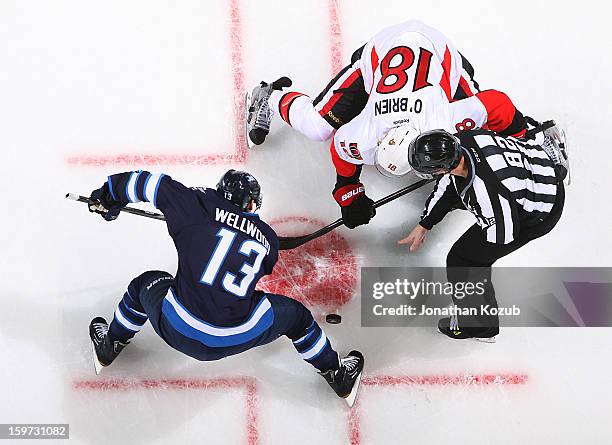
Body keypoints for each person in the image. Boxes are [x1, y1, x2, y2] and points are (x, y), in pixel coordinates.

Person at [86, 169, 364, 406]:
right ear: (252, 204)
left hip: (177, 325)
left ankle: (110, 345)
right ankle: (336, 374)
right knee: (298, 319)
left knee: (144, 285)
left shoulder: (195, 204)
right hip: (235, 336)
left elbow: (148, 182)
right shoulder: (268, 240)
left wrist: (108, 196)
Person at [247, 20, 528, 230]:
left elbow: (497, 104)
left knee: (479, 136)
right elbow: (341, 147)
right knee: (318, 125)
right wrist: (348, 190)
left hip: (439, 53)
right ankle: (268, 96)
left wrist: (522, 140)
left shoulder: (446, 122)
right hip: (381, 52)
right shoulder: (368, 136)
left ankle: (535, 136)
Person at [397, 125, 568, 340]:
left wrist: (470, 283)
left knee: (465, 260)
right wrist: (426, 223)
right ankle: (557, 166)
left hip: (541, 211)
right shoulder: (466, 139)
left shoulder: (489, 195)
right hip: (540, 165)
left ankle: (480, 327)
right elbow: (448, 185)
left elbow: (502, 235)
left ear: (442, 168)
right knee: (464, 195)